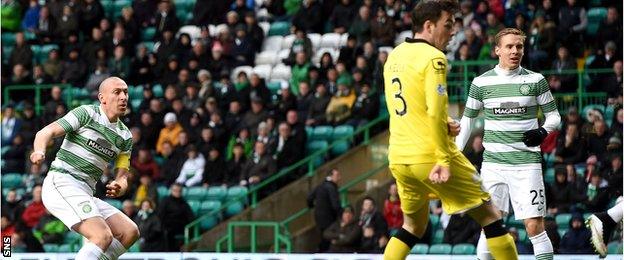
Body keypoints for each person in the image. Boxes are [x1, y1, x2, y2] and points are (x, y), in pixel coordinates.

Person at [382, 1, 518, 259]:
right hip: (432, 157)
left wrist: (443, 123)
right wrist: (443, 159)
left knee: (412, 226)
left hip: (400, 158)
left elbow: (405, 105)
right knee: (491, 216)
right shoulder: (434, 58)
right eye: (448, 25)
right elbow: (433, 110)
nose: (453, 31)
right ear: (429, 25)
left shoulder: (395, 55)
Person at [455, 28, 561, 260]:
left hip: (527, 164)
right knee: (490, 226)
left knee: (534, 226)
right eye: (509, 47)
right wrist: (453, 155)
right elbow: (468, 121)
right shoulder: (481, 83)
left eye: (519, 47)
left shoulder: (536, 80)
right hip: (493, 165)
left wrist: (542, 131)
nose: (515, 51)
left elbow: (554, 116)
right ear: (497, 50)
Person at [31, 77, 139, 260]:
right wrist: (39, 151)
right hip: (62, 182)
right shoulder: (87, 114)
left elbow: (123, 177)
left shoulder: (125, 136)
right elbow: (46, 132)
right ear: (102, 97)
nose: (123, 97)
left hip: (85, 191)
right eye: (117, 92)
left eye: (126, 92)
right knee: (102, 236)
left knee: (129, 232)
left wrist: (120, 185)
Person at [307, 169, 342, 252]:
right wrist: (341, 214)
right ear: (331, 176)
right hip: (329, 217)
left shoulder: (320, 186)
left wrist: (311, 206)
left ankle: (321, 251)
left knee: (323, 236)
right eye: (337, 175)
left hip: (318, 216)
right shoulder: (332, 187)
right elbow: (335, 204)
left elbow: (309, 198)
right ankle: (322, 252)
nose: (339, 178)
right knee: (328, 237)